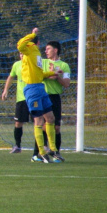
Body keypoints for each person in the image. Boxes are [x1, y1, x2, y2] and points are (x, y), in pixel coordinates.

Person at [17, 28, 65, 163]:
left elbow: (39, 74)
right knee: (38, 121)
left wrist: (52, 73)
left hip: (40, 87)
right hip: (32, 89)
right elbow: (20, 44)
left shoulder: (36, 52)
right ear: (38, 43)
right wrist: (33, 34)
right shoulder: (28, 49)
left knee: (51, 118)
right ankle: (41, 153)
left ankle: (53, 150)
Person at [31, 41, 71, 161]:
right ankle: (36, 153)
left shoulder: (64, 65)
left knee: (56, 127)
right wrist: (49, 75)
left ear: (56, 50)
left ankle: (55, 153)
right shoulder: (42, 62)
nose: (46, 51)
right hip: (42, 95)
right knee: (41, 124)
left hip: (55, 97)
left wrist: (57, 77)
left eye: (48, 49)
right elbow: (36, 76)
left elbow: (67, 84)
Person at [1, 53, 29, 154]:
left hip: (34, 97)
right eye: (20, 54)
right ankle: (17, 146)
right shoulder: (17, 65)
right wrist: (5, 90)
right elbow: (11, 77)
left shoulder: (35, 64)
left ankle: (44, 146)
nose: (22, 55)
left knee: (40, 122)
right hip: (21, 98)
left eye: (24, 53)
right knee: (18, 123)